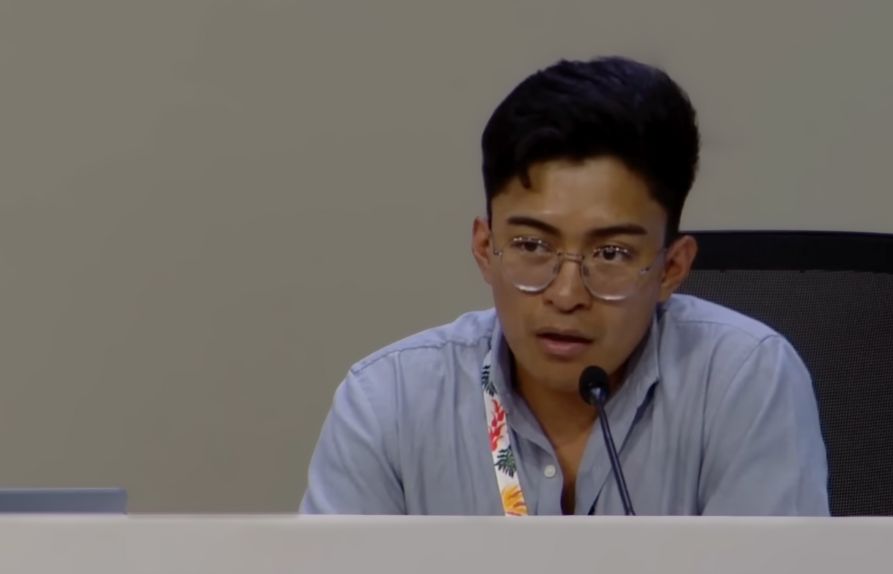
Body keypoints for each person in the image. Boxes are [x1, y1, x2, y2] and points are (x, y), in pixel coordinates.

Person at [301, 56, 828, 516]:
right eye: (533, 247)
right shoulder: (389, 403)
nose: (567, 294)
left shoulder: (743, 382)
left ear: (671, 268)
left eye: (612, 254)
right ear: (486, 249)